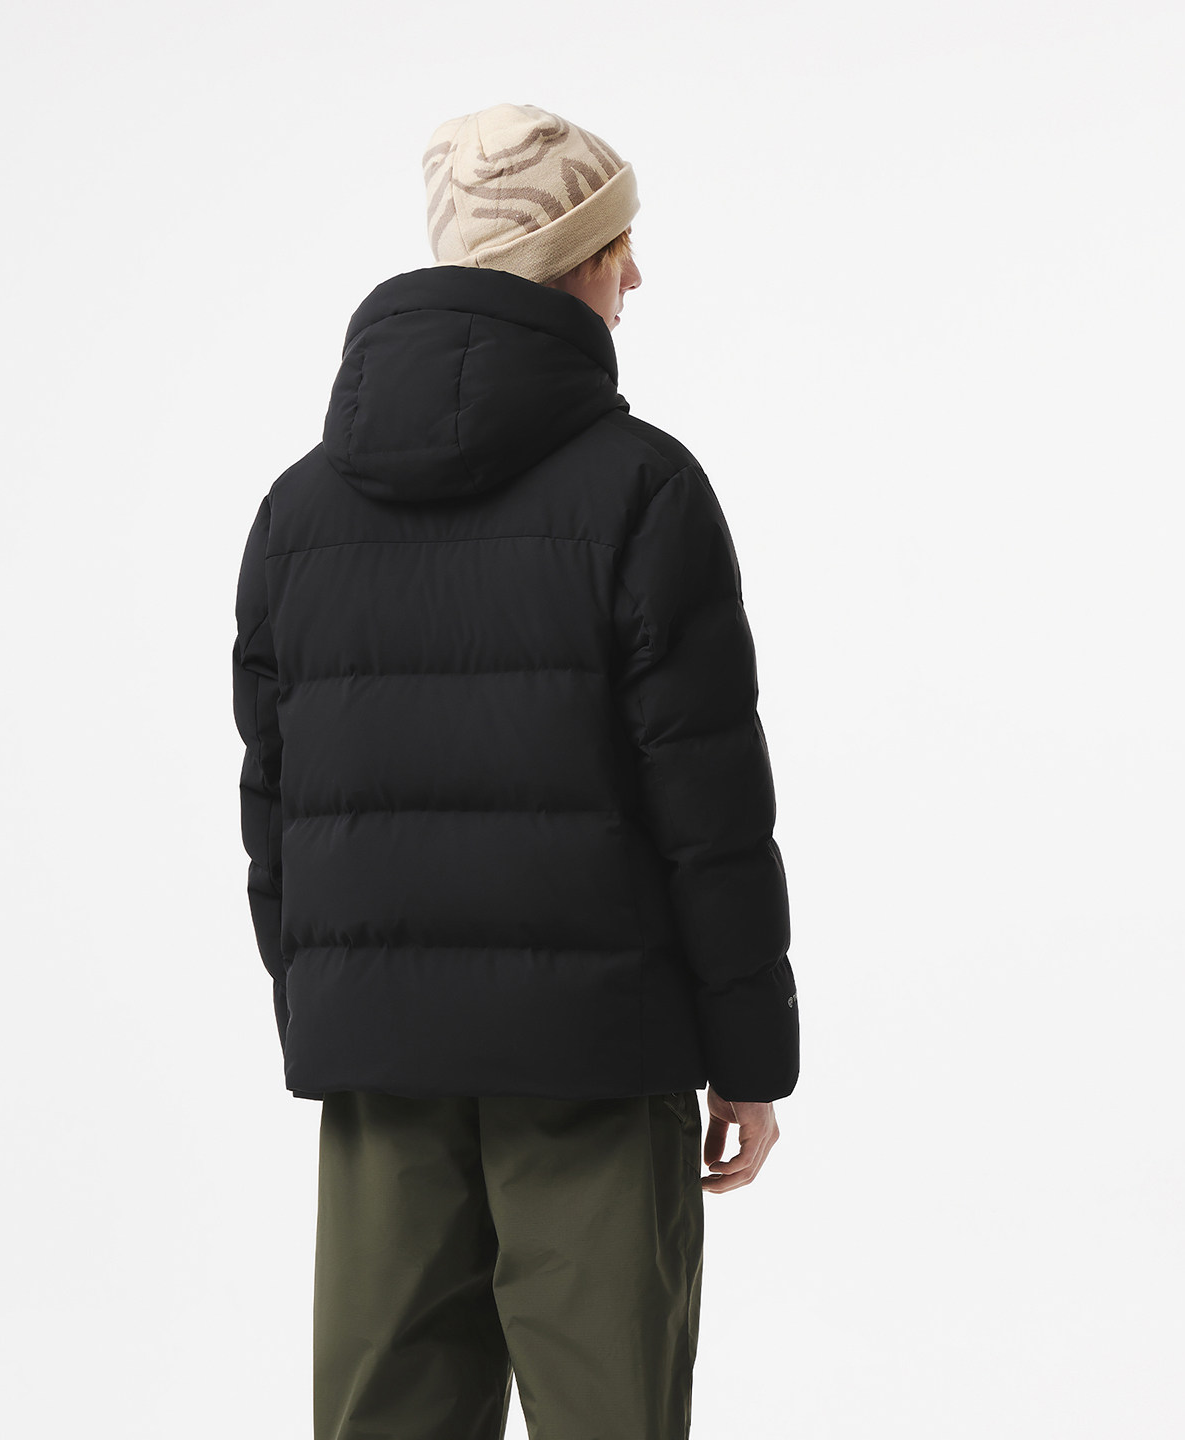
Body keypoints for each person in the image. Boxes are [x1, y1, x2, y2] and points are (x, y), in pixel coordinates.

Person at [232, 101, 800, 1440]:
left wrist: (331, 1005)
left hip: (382, 1061)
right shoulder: (645, 490)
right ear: (566, 264)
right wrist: (750, 1058)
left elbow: (274, 807)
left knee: (385, 1417)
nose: (636, 275)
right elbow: (710, 808)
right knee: (611, 1414)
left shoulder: (299, 511)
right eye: (616, 246)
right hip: (599, 1059)